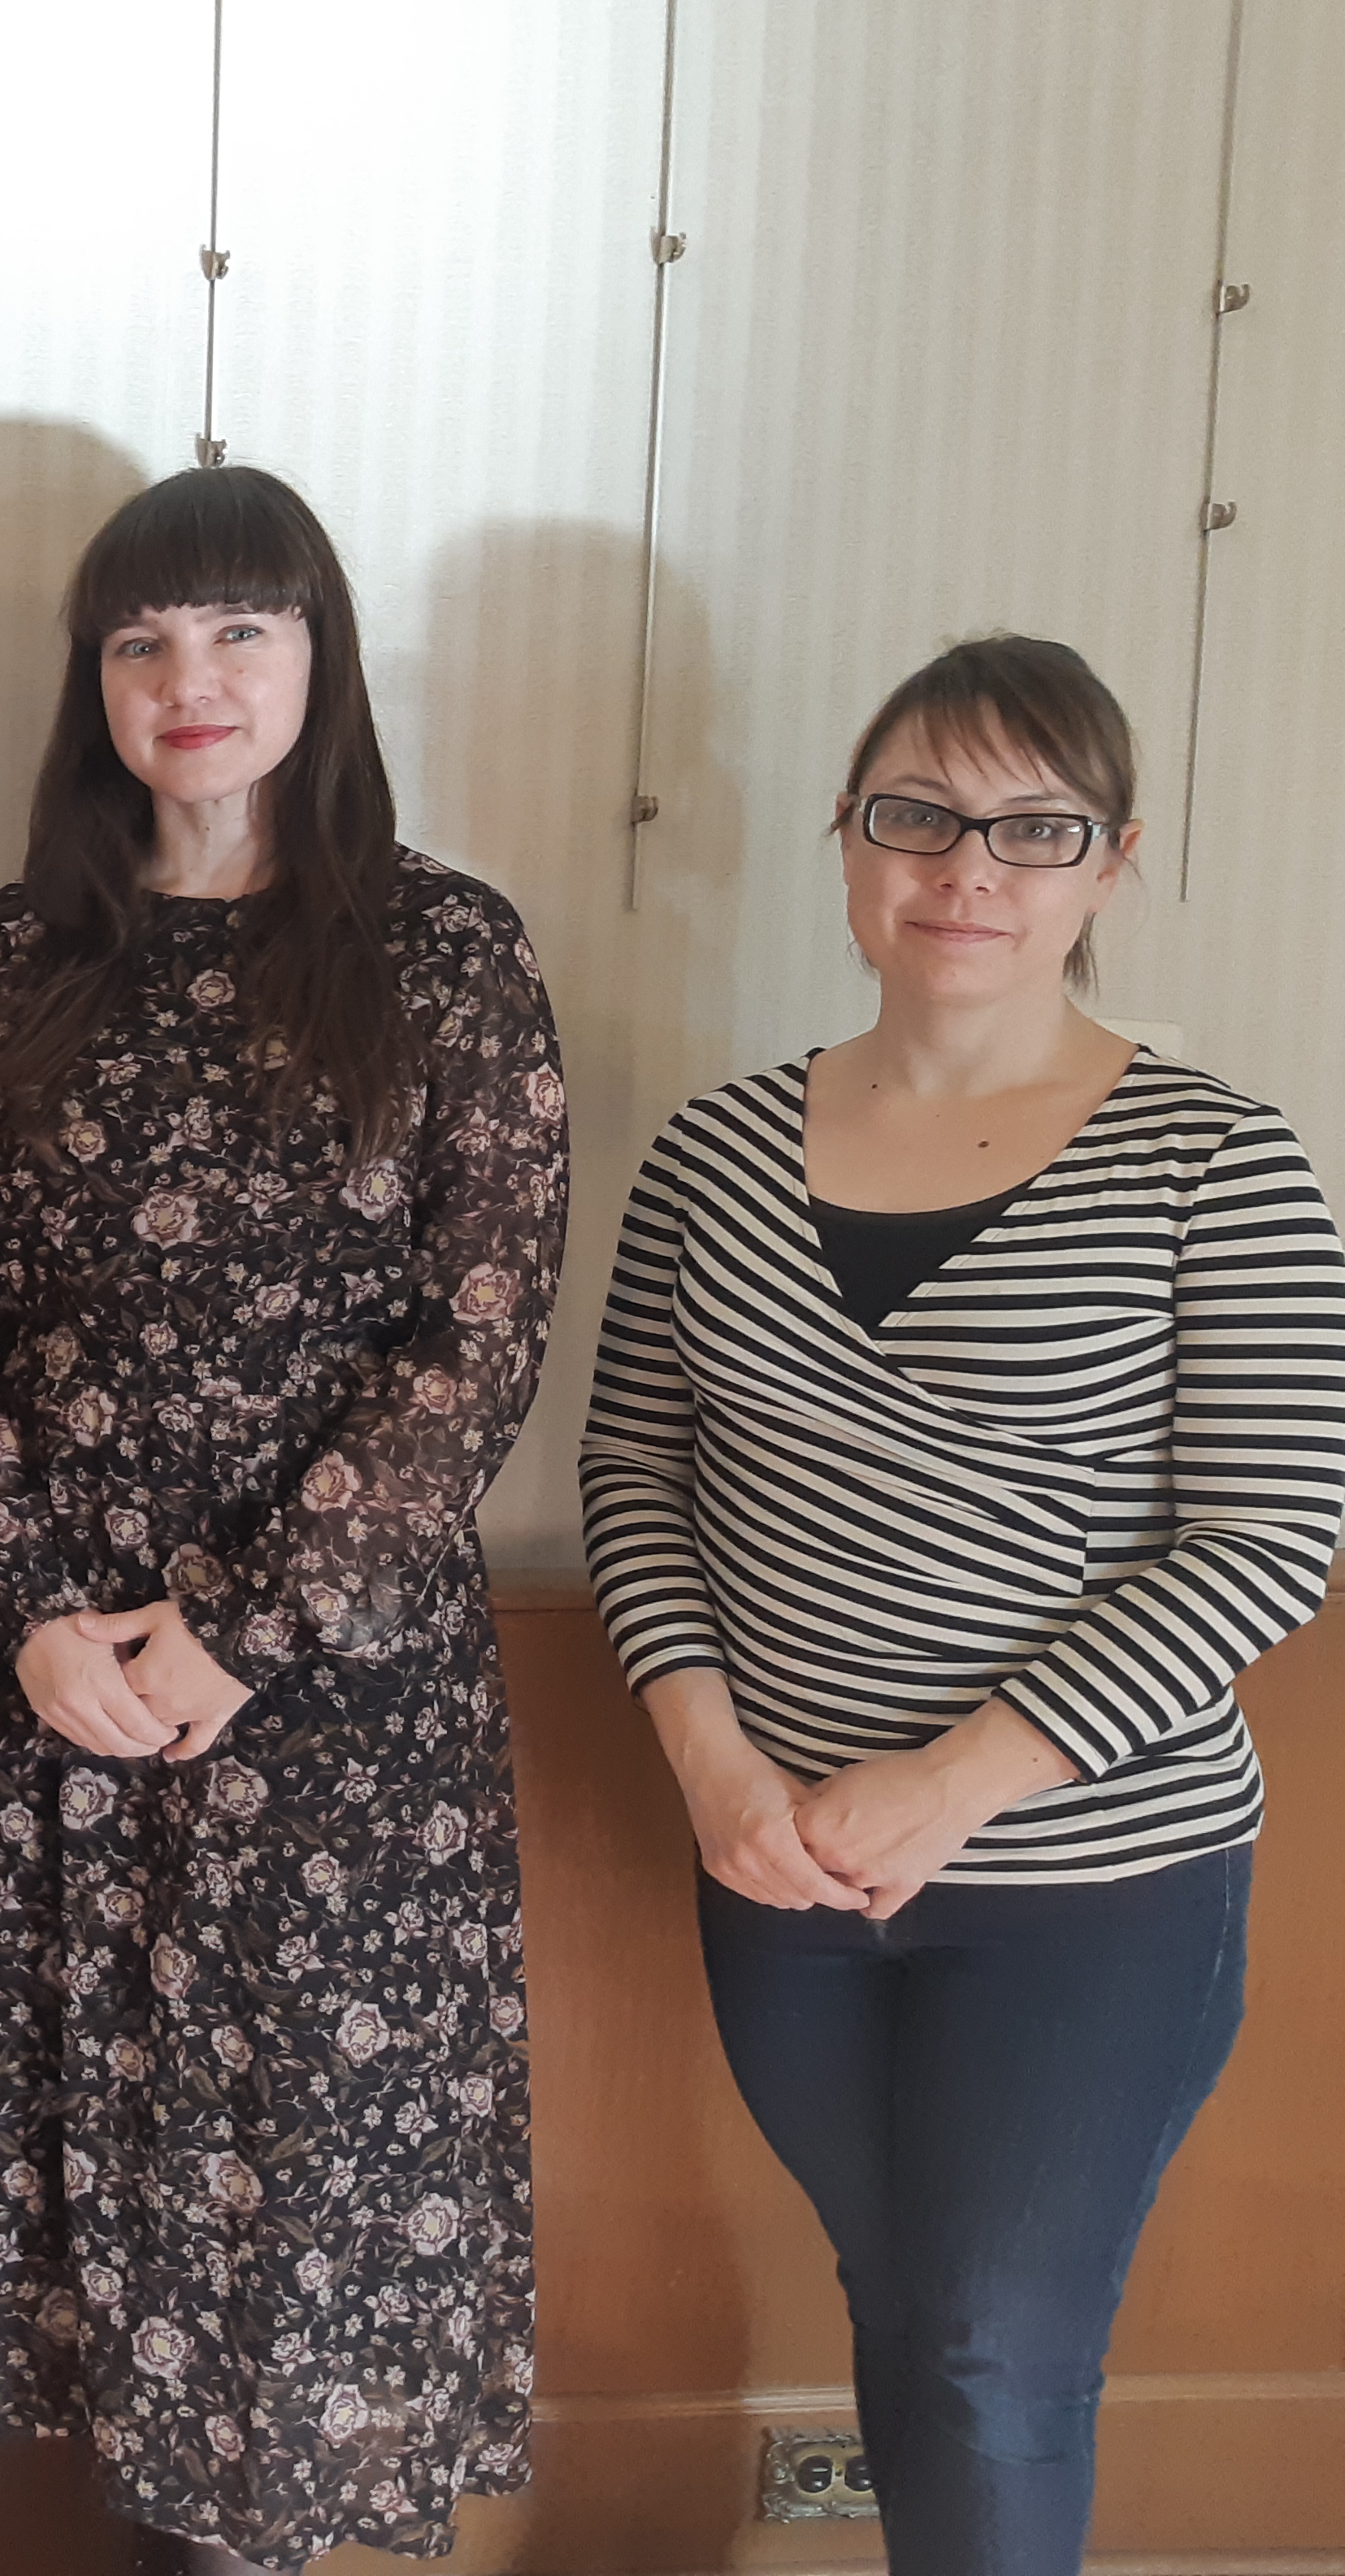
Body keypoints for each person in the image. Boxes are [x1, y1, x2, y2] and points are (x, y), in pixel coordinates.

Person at [579, 636, 1343, 2576]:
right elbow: (634, 1477)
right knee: (905, 2302)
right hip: (785, 1877)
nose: (966, 868)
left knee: (1001, 2346)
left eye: (1033, 827)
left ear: (1114, 862)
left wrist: (954, 1784)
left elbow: (1270, 1533)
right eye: (917, 815)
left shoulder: (1215, 1158)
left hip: (1095, 1889)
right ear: (849, 843)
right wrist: (711, 1760)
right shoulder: (715, 1155)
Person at [0, 465, 566, 2572]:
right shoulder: (5, 963)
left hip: (341, 1712)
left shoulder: (446, 954)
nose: (193, 680)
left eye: (242, 630)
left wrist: (245, 1628)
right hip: (58, 1694)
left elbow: (481, 1338)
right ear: (92, 679)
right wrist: (25, 1608)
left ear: (320, 657)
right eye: (143, 641)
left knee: (301, 2222)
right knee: (108, 2230)